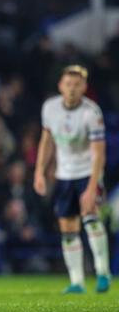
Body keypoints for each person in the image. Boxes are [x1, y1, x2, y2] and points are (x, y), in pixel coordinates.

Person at [34, 65, 111, 294]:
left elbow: (99, 153)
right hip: (64, 174)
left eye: (77, 85)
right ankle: (77, 281)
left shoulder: (91, 112)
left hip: (88, 172)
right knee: (68, 227)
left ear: (84, 88)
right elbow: (46, 141)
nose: (72, 89)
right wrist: (39, 171)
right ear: (60, 86)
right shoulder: (50, 108)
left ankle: (103, 273)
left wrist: (92, 187)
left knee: (91, 218)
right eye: (68, 84)